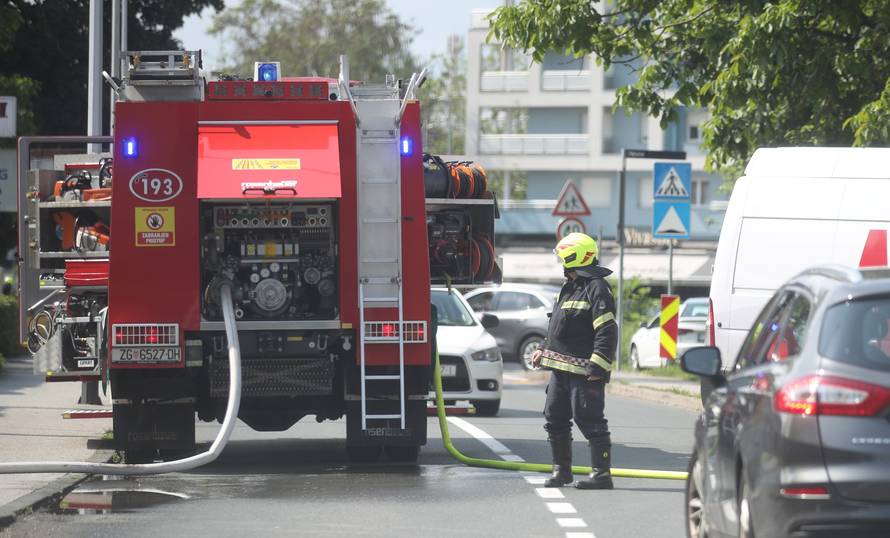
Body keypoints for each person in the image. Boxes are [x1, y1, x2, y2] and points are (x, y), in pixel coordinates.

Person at [532, 232, 617, 489]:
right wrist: (543, 349)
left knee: (589, 418)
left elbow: (607, 330)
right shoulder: (569, 287)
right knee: (554, 417)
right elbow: (557, 323)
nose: (561, 262)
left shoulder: (597, 288)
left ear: (576, 256)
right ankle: (562, 471)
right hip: (560, 370)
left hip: (584, 371)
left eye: (564, 257)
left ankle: (602, 475)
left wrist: (598, 365)